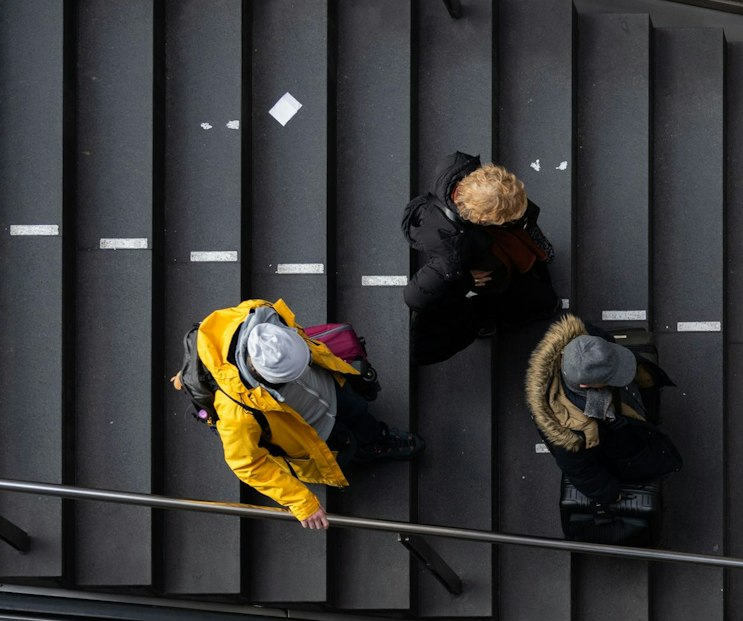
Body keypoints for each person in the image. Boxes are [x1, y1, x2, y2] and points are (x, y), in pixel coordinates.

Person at [195, 298, 423, 529]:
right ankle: (366, 451)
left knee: (359, 412)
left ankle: (378, 440)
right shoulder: (236, 413)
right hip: (313, 431)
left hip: (332, 387)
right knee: (346, 447)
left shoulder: (258, 313)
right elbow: (247, 464)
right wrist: (302, 503)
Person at [526, 315, 681, 536]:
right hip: (614, 444)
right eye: (610, 376)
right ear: (585, 385)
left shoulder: (584, 340)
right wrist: (609, 494)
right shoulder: (569, 431)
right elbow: (581, 471)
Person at [403, 153, 559, 365]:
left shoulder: (456, 169)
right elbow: (416, 296)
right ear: (481, 219)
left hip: (492, 250)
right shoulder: (449, 249)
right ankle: (488, 319)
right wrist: (466, 280)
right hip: (490, 272)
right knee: (532, 300)